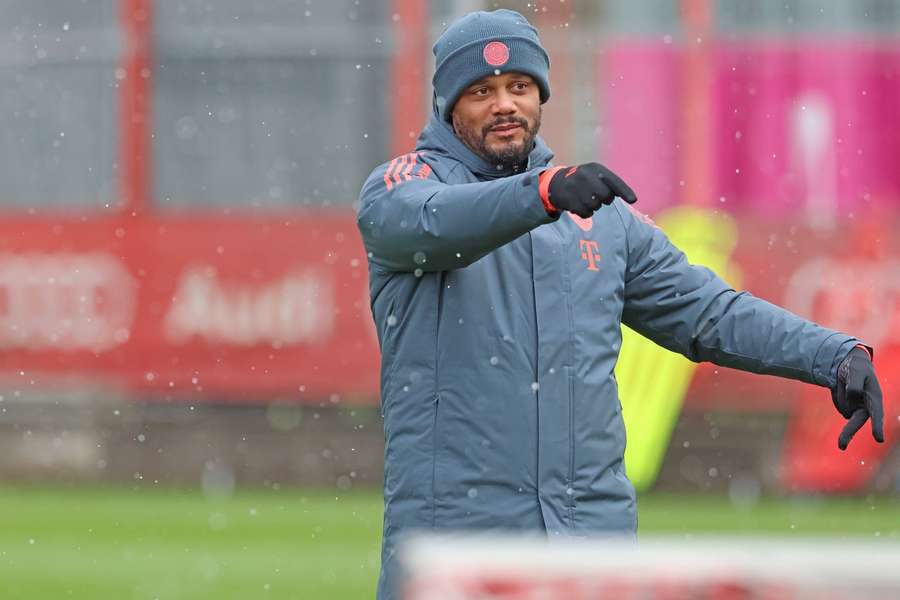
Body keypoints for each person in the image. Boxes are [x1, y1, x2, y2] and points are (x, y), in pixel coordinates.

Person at [356, 9, 885, 599]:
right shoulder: (402, 187)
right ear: (448, 104)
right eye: (482, 91)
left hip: (592, 550)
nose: (505, 104)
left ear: (541, 96)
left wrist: (832, 355)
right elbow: (435, 223)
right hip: (460, 555)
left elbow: (710, 312)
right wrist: (543, 193)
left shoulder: (598, 218)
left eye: (519, 87)